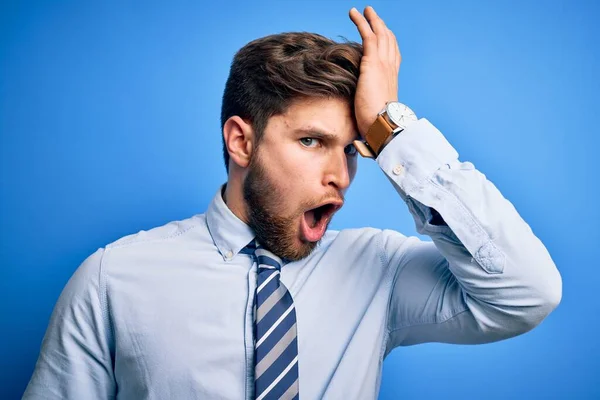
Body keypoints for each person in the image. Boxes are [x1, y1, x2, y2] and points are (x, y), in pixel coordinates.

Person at [23, 6, 562, 400]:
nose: (342, 176)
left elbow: (527, 293)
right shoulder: (113, 279)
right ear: (241, 142)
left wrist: (392, 129)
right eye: (311, 142)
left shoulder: (378, 271)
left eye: (354, 150)